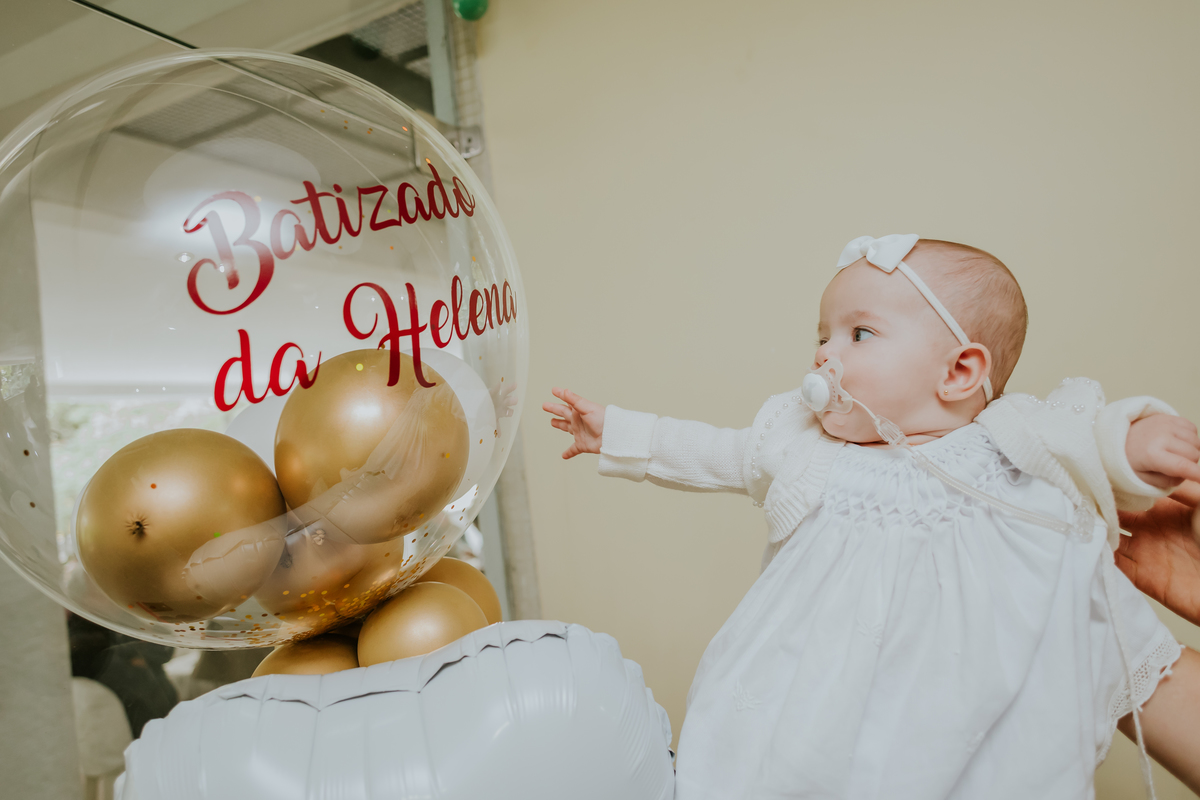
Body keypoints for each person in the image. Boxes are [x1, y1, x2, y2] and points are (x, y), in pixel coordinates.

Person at [544, 234, 1200, 799]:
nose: (826, 354)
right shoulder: (807, 445)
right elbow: (722, 452)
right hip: (824, 670)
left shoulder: (1012, 440)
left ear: (961, 370)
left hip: (974, 662)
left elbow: (1085, 438)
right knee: (793, 752)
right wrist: (620, 434)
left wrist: (1136, 445)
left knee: (995, 759)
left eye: (859, 334)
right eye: (822, 335)